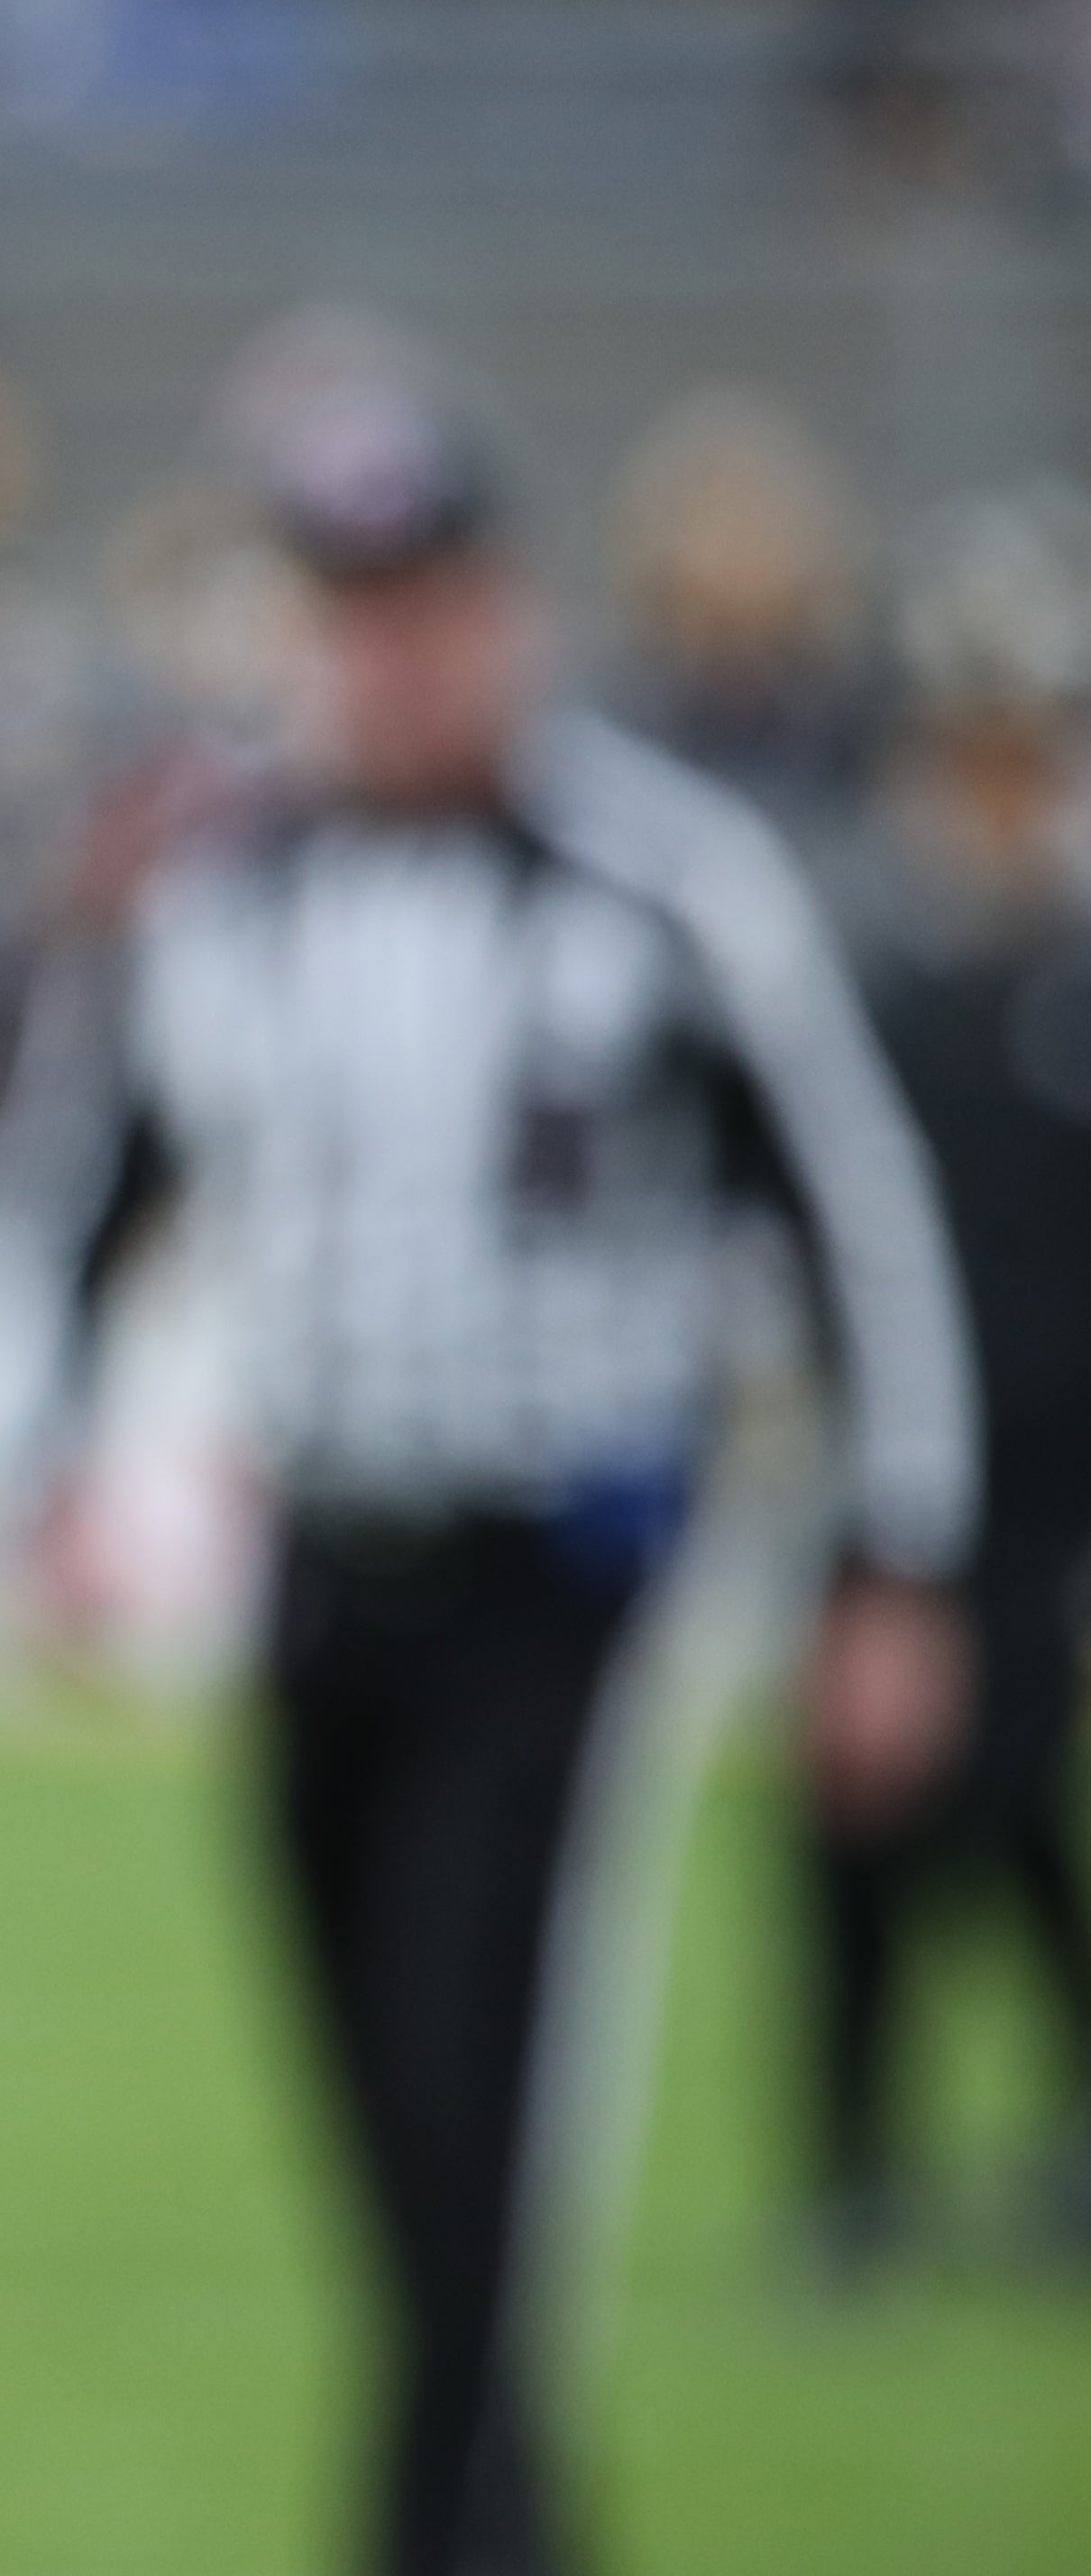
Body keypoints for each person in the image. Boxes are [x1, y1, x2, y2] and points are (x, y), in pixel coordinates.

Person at [0, 337, 975, 2576]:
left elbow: (860, 1225)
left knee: (486, 2100)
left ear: (507, 607)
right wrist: (41, 1462)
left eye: (421, 604)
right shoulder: (213, 886)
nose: (386, 657)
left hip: (560, 1578)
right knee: (381, 2110)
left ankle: (444, 2527)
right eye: (344, 608)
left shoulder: (664, 879)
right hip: (323, 1568)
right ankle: (498, 2514)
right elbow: (80, 1186)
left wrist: (899, 1567)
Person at [806, 483, 1091, 2276]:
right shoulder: (873, 978)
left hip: (1045, 1481)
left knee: (1000, 1796)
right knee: (855, 1813)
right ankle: (853, 2164)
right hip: (883, 1471)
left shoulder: (1066, 987)